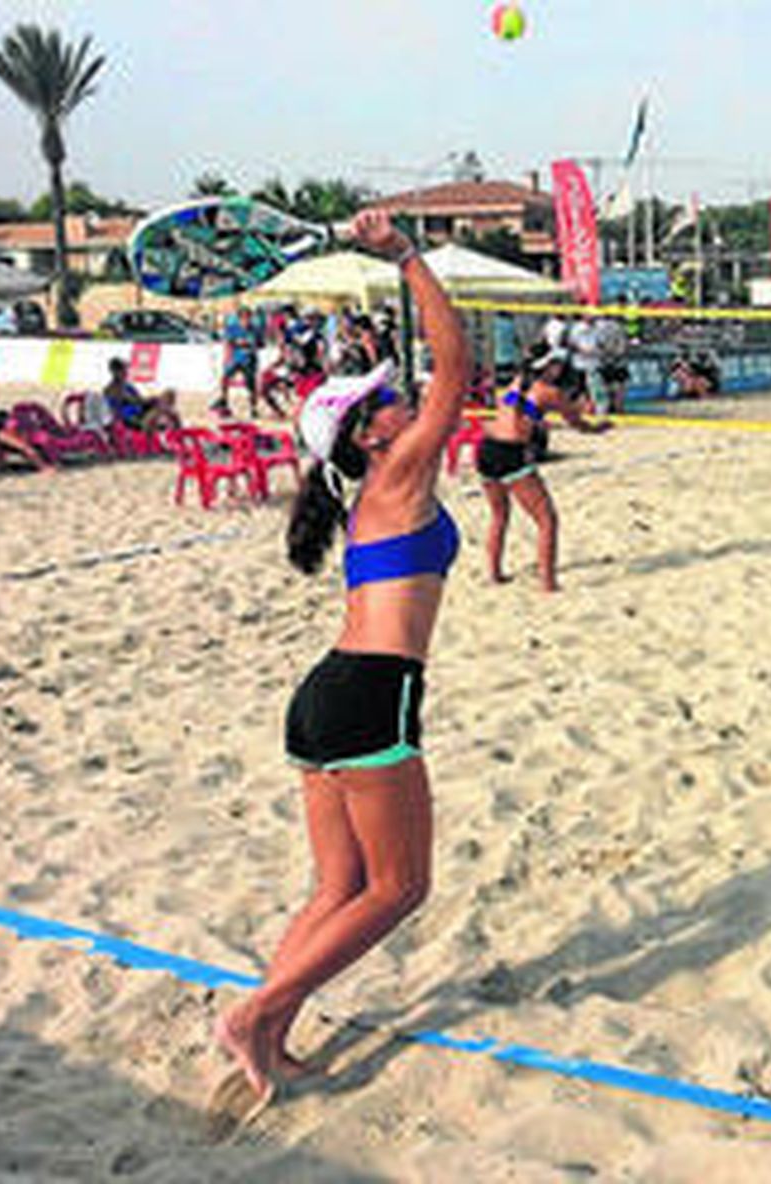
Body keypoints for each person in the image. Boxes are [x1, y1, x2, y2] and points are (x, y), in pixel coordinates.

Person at [212, 210, 474, 1105]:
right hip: (369, 694)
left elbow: (437, 378)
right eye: (385, 399)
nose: (403, 401)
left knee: (338, 889)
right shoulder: (399, 473)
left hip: (324, 695)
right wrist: (405, 256)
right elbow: (456, 367)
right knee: (400, 888)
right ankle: (255, 1014)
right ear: (368, 436)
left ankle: (268, 1032)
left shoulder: (372, 496)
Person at [475, 348, 611, 592]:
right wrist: (599, 427)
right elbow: (577, 423)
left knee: (499, 515)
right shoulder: (551, 393)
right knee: (547, 520)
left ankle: (495, 574)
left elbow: (514, 411)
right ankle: (548, 583)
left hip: (486, 447)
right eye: (557, 364)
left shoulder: (518, 381)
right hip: (511, 453)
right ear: (549, 367)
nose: (561, 368)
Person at [102, 359, 181, 434]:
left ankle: (174, 430)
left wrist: (152, 399)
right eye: (123, 369)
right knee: (156, 409)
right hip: (127, 417)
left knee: (168, 396)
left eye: (126, 369)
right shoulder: (111, 389)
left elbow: (139, 399)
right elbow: (132, 401)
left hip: (138, 411)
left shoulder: (128, 386)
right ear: (115, 372)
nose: (126, 372)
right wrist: (149, 400)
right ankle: (155, 432)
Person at [215, 309, 263, 418]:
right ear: (239, 318)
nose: (246, 320)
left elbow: (260, 344)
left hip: (249, 359)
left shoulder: (254, 329)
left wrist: (250, 345)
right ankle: (224, 401)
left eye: (248, 317)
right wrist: (227, 357)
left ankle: (253, 408)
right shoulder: (233, 329)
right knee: (225, 378)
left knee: (251, 385)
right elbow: (227, 343)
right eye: (243, 318)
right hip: (235, 358)